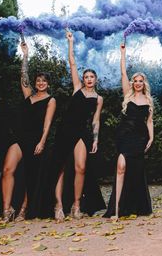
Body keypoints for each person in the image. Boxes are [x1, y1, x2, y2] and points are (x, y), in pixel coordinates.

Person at [0, 39, 56, 221]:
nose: (40, 83)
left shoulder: (51, 100)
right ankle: (7, 209)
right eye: (38, 80)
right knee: (8, 169)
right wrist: (25, 56)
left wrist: (42, 141)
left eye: (44, 81)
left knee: (29, 175)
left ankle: (24, 208)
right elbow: (23, 78)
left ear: (48, 84)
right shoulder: (29, 95)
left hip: (36, 140)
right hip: (19, 138)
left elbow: (47, 123)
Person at [42, 30, 105, 221]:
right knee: (59, 167)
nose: (88, 79)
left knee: (80, 167)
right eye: (86, 77)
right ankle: (58, 205)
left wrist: (95, 139)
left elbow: (96, 120)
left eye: (91, 77)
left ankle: (76, 205)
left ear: (95, 80)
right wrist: (70, 42)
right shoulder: (77, 88)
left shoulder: (99, 98)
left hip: (82, 132)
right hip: (66, 130)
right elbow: (72, 62)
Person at [104, 41, 153, 219]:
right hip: (125, 137)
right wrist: (123, 54)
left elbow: (149, 121)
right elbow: (123, 72)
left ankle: (132, 206)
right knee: (121, 166)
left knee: (135, 172)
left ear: (144, 83)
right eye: (136, 81)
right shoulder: (128, 95)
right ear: (132, 83)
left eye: (141, 81)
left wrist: (151, 138)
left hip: (140, 138)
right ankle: (116, 210)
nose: (138, 83)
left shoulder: (148, 101)